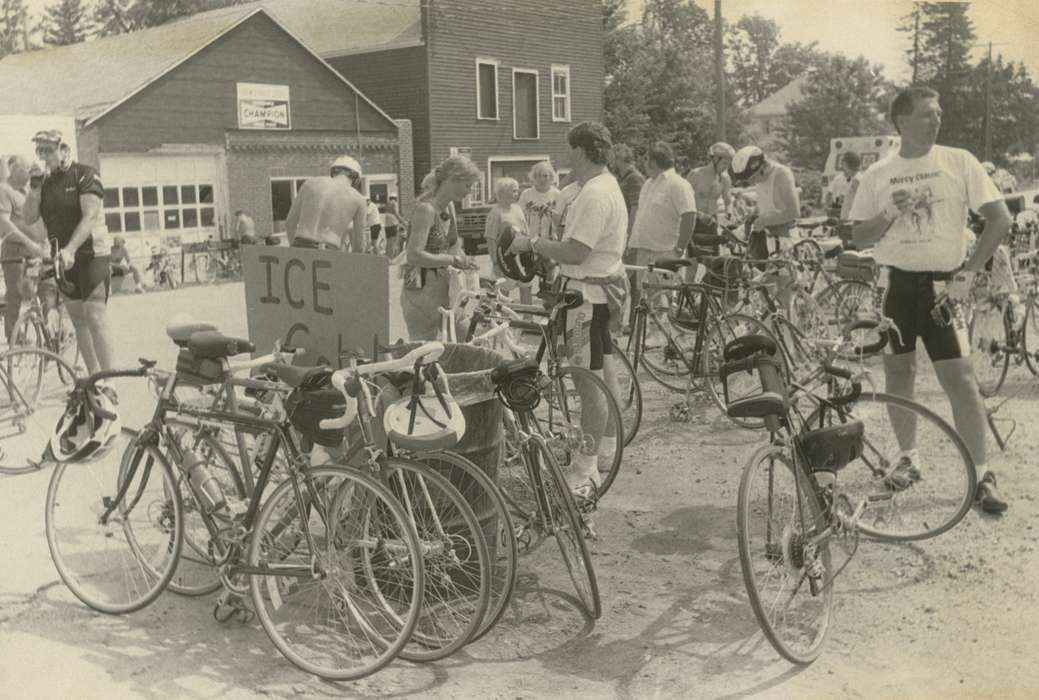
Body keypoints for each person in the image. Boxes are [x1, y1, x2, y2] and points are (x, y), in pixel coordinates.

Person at [849, 85, 1010, 514]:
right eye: (926, 114)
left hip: (944, 286)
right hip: (897, 285)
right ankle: (908, 459)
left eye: (938, 113)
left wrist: (970, 272)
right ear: (901, 121)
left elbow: (1000, 220)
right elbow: (857, 235)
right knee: (899, 371)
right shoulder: (878, 173)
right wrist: (888, 214)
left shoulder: (958, 160)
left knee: (959, 378)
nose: (936, 120)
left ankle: (980, 475)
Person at [509, 121, 627, 493]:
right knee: (603, 374)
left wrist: (533, 244)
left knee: (585, 380)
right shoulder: (603, 186)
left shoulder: (594, 194)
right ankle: (606, 447)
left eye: (568, 149)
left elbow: (577, 250)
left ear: (579, 150)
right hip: (596, 292)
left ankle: (586, 467)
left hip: (585, 298)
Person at [23, 130, 115, 376]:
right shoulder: (43, 183)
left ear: (64, 150)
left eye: (48, 150)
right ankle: (95, 377)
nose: (43, 156)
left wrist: (71, 248)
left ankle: (111, 379)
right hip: (61, 259)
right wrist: (34, 188)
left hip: (91, 253)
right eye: (39, 150)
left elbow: (90, 215)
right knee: (78, 320)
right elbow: (29, 217)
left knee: (94, 315)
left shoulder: (84, 174)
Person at [400, 155, 480, 340]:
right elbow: (413, 255)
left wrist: (466, 263)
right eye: (468, 186)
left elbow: (454, 245)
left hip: (445, 289)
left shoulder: (449, 207)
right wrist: (453, 260)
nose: (469, 192)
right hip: (421, 292)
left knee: (465, 340)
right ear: (452, 180)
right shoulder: (426, 210)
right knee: (424, 352)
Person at [626, 141, 697, 314]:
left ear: (653, 162)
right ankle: (647, 338)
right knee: (644, 298)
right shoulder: (649, 184)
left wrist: (679, 249)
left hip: (664, 252)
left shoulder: (678, 184)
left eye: (646, 160)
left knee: (663, 301)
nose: (643, 164)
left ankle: (662, 339)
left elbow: (689, 215)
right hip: (644, 252)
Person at [0, 155, 48, 342]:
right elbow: (4, 224)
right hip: (15, 250)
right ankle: (14, 334)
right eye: (26, 169)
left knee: (45, 288)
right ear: (14, 168)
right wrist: (30, 243)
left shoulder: (26, 192)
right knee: (16, 292)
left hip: (35, 250)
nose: (29, 173)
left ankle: (48, 331)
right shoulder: (4, 190)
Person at [285, 155, 368, 252]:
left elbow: (289, 223)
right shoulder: (359, 199)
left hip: (299, 245)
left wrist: (294, 249)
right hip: (329, 249)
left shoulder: (309, 183)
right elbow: (359, 244)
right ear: (356, 178)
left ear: (333, 171)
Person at [730, 145, 800, 259]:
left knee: (779, 276)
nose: (752, 182)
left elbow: (793, 212)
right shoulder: (761, 179)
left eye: (752, 178)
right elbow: (765, 204)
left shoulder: (781, 174)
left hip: (784, 240)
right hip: (767, 239)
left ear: (762, 167)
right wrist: (753, 215)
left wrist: (764, 221)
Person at [484, 177, 532, 302]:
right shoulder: (495, 213)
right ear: (501, 193)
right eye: (513, 191)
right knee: (502, 293)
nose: (517, 194)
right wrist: (496, 263)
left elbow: (525, 231)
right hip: (504, 257)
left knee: (526, 287)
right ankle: (500, 321)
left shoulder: (518, 209)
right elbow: (491, 239)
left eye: (517, 191)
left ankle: (528, 319)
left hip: (521, 256)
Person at [686, 142, 734, 222]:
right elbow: (683, 200)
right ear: (715, 159)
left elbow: (728, 201)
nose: (726, 167)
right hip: (694, 220)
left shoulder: (725, 178)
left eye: (728, 165)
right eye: (724, 163)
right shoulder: (696, 174)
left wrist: (729, 213)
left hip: (712, 221)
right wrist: (700, 215)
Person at [518, 161, 560, 240]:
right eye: (538, 176)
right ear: (534, 177)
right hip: (530, 241)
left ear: (551, 177)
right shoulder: (526, 194)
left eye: (545, 176)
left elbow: (561, 220)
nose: (542, 179)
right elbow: (520, 218)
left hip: (552, 241)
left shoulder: (558, 195)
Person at [825, 151, 862, 220]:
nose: (842, 165)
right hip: (844, 217)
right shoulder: (841, 178)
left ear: (846, 164)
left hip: (852, 219)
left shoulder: (858, 181)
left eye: (843, 163)